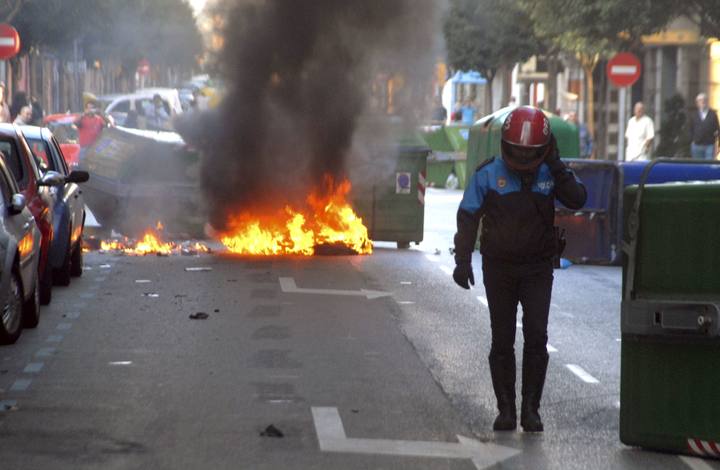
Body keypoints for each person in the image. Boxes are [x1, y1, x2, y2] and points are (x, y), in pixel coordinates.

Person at [452, 106, 587, 433]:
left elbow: (578, 198)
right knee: (502, 340)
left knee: (537, 338)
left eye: (532, 153)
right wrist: (463, 260)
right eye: (517, 151)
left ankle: (531, 410)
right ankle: (506, 410)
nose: (523, 159)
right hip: (499, 269)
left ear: (544, 148)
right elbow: (468, 216)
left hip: (538, 270)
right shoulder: (488, 174)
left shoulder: (550, 174)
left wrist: (554, 164)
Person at [689, 93, 720, 160]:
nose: (702, 102)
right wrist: (692, 141)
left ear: (707, 101)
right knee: (697, 167)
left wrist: (718, 145)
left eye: (704, 100)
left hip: (710, 145)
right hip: (697, 145)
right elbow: (690, 129)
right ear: (697, 103)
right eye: (700, 100)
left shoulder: (713, 114)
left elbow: (718, 129)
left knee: (709, 166)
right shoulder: (693, 115)